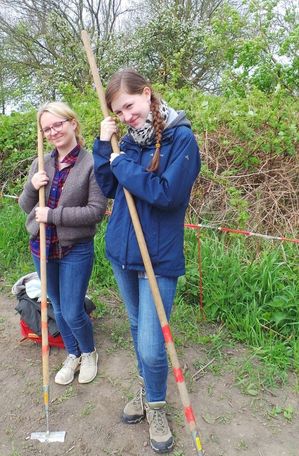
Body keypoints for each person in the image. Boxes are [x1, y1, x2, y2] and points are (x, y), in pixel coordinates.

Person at [93, 69, 200, 453]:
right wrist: (104, 147)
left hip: (158, 257)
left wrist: (121, 164)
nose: (126, 116)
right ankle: (148, 389)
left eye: (129, 106)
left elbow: (167, 193)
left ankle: (156, 406)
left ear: (147, 94)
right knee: (138, 329)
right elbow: (107, 187)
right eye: (118, 112)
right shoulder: (127, 141)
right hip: (123, 251)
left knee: (153, 345)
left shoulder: (181, 138)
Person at [19, 101, 107, 386]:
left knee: (71, 309)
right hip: (42, 247)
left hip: (74, 249)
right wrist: (33, 186)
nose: (53, 131)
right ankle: (73, 354)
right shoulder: (40, 163)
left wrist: (52, 215)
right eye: (47, 128)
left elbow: (96, 211)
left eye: (58, 124)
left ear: (72, 123)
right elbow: (24, 206)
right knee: (56, 305)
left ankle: (89, 352)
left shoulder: (92, 163)